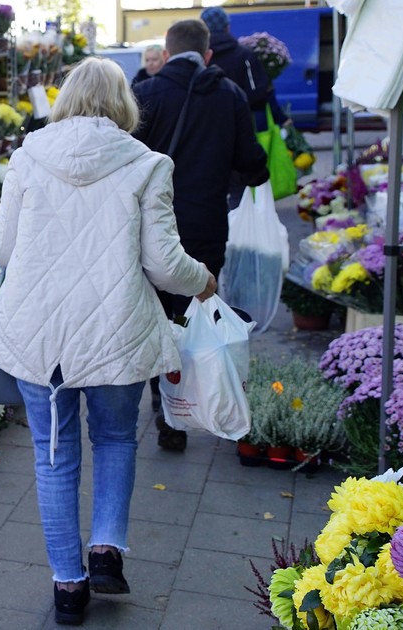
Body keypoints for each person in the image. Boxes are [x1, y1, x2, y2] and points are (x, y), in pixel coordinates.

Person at [0, 57, 217, 627]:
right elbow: (163, 264)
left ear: (65, 100)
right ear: (123, 103)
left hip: (39, 337)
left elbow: (3, 250)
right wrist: (203, 280)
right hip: (117, 330)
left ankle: (68, 587)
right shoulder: (148, 163)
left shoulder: (27, 156)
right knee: (114, 439)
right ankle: (106, 550)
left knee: (53, 456)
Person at [132, 19, 269, 451]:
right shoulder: (230, 95)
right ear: (208, 55)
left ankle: (168, 412)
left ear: (167, 54)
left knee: (159, 317)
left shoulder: (148, 93)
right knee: (194, 316)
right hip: (208, 227)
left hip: (154, 232)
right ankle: (204, 401)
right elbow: (251, 161)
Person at [200, 5, 289, 207]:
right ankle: (237, 231)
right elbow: (258, 93)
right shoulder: (243, 55)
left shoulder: (201, 58)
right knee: (238, 194)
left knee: (212, 191)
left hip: (205, 134)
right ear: (227, 28)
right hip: (239, 132)